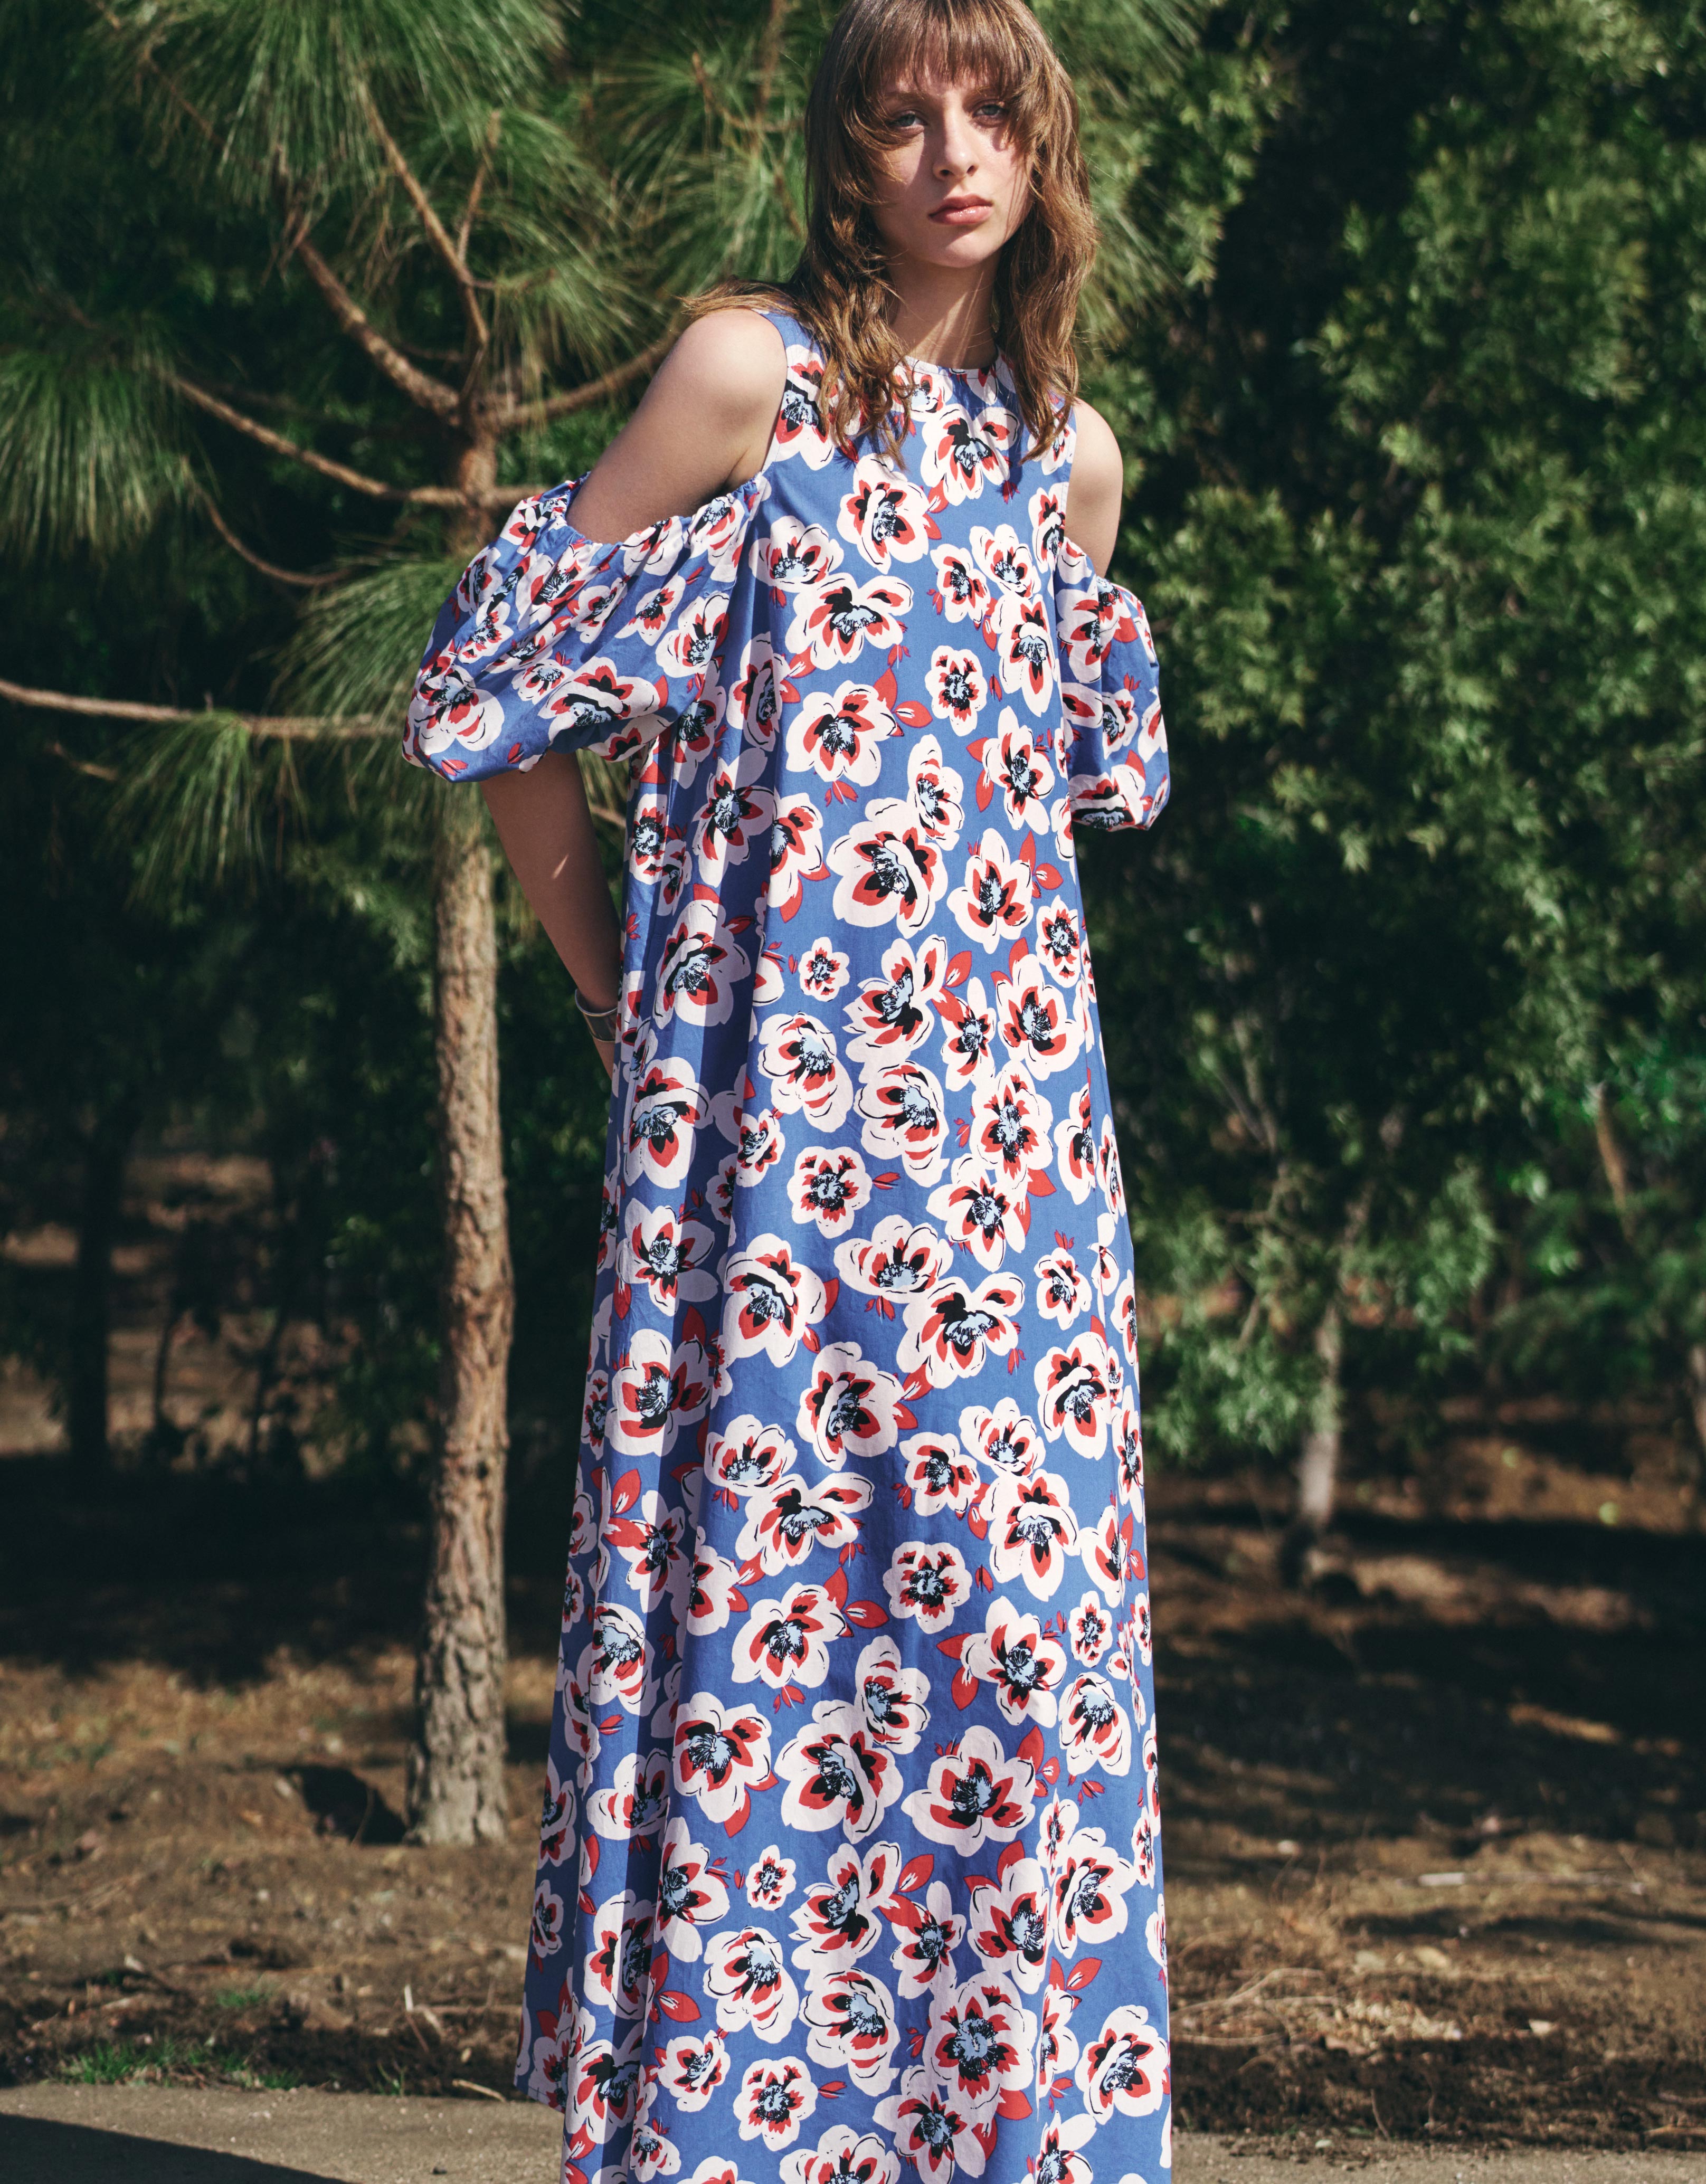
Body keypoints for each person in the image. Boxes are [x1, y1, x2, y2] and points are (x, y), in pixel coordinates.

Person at [402, 1, 1174, 2179]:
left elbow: (1018, 820)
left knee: (1013, 1656)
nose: (954, 152)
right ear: (848, 155)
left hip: (1015, 1176)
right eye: (905, 115)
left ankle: (1000, 2140)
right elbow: (497, 684)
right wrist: (621, 992)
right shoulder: (751, 381)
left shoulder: (1069, 460)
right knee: (776, 1627)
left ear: (1045, 143)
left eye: (991, 108)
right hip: (774, 1161)